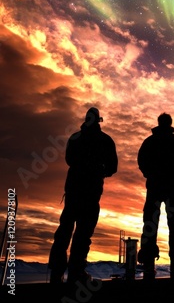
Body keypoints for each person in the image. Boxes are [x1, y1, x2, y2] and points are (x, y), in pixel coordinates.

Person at [48, 107, 118, 285]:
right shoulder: (105, 140)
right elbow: (112, 167)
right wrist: (100, 170)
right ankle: (75, 273)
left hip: (74, 190)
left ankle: (57, 272)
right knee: (82, 234)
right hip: (90, 192)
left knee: (65, 230)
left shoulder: (75, 138)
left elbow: (69, 160)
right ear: (99, 121)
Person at [137, 113, 174, 281]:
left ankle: (149, 266)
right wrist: (172, 172)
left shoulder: (150, 142)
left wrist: (151, 174)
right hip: (170, 186)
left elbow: (142, 161)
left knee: (151, 225)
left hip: (156, 186)